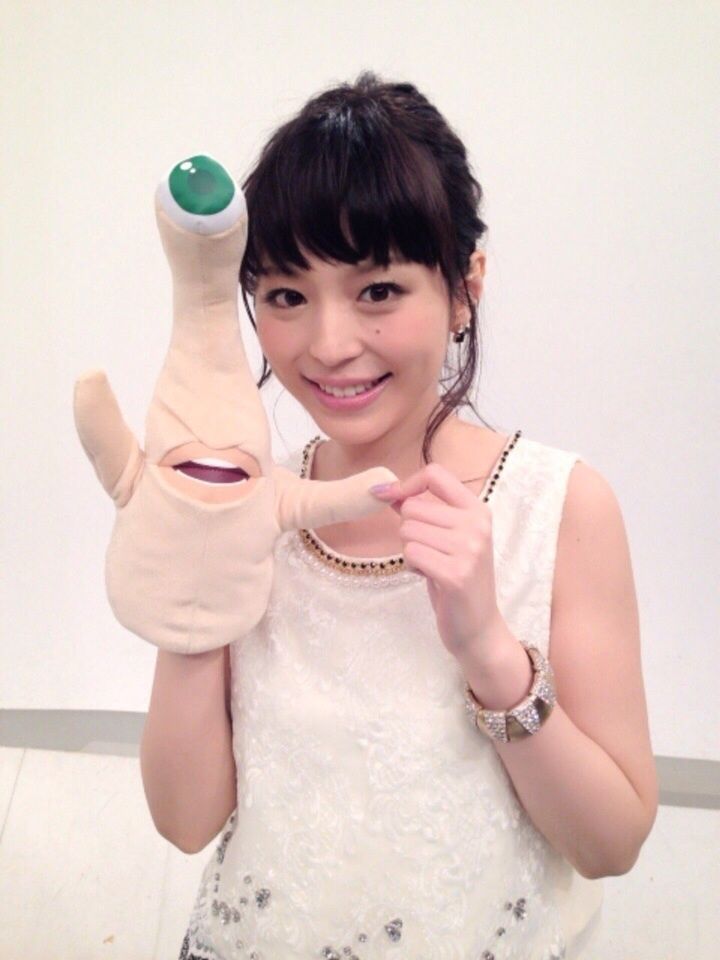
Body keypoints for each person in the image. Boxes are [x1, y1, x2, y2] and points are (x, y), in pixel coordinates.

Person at [172, 71, 658, 959]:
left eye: (378, 291)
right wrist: (184, 604)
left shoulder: (560, 505)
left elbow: (612, 843)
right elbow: (184, 820)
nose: (329, 345)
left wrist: (491, 654)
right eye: (286, 296)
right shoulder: (249, 509)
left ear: (464, 287)